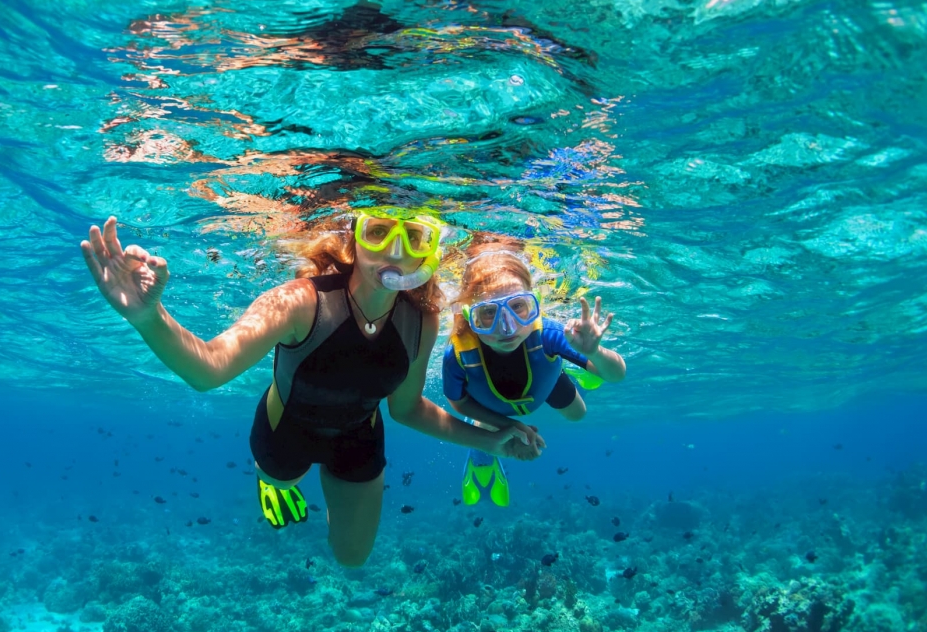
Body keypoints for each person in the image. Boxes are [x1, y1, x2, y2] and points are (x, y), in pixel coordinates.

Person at [80, 209, 541, 567]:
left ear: (428, 251)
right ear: (353, 239)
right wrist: (147, 317)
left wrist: (492, 439)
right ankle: (273, 483)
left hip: (360, 435)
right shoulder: (301, 300)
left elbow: (406, 410)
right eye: (379, 232)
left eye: (414, 237)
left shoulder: (422, 319)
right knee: (281, 479)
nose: (396, 252)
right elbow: (209, 369)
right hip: (287, 429)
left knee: (352, 558)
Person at [443, 239, 627, 507]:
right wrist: (508, 426)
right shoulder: (458, 355)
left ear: (535, 304)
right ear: (470, 316)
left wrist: (594, 353)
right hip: (490, 405)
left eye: (518, 307)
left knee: (579, 414)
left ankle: (576, 365)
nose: (507, 328)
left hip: (545, 380)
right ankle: (481, 455)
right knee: (488, 429)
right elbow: (457, 402)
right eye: (489, 313)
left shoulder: (550, 334)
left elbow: (617, 375)